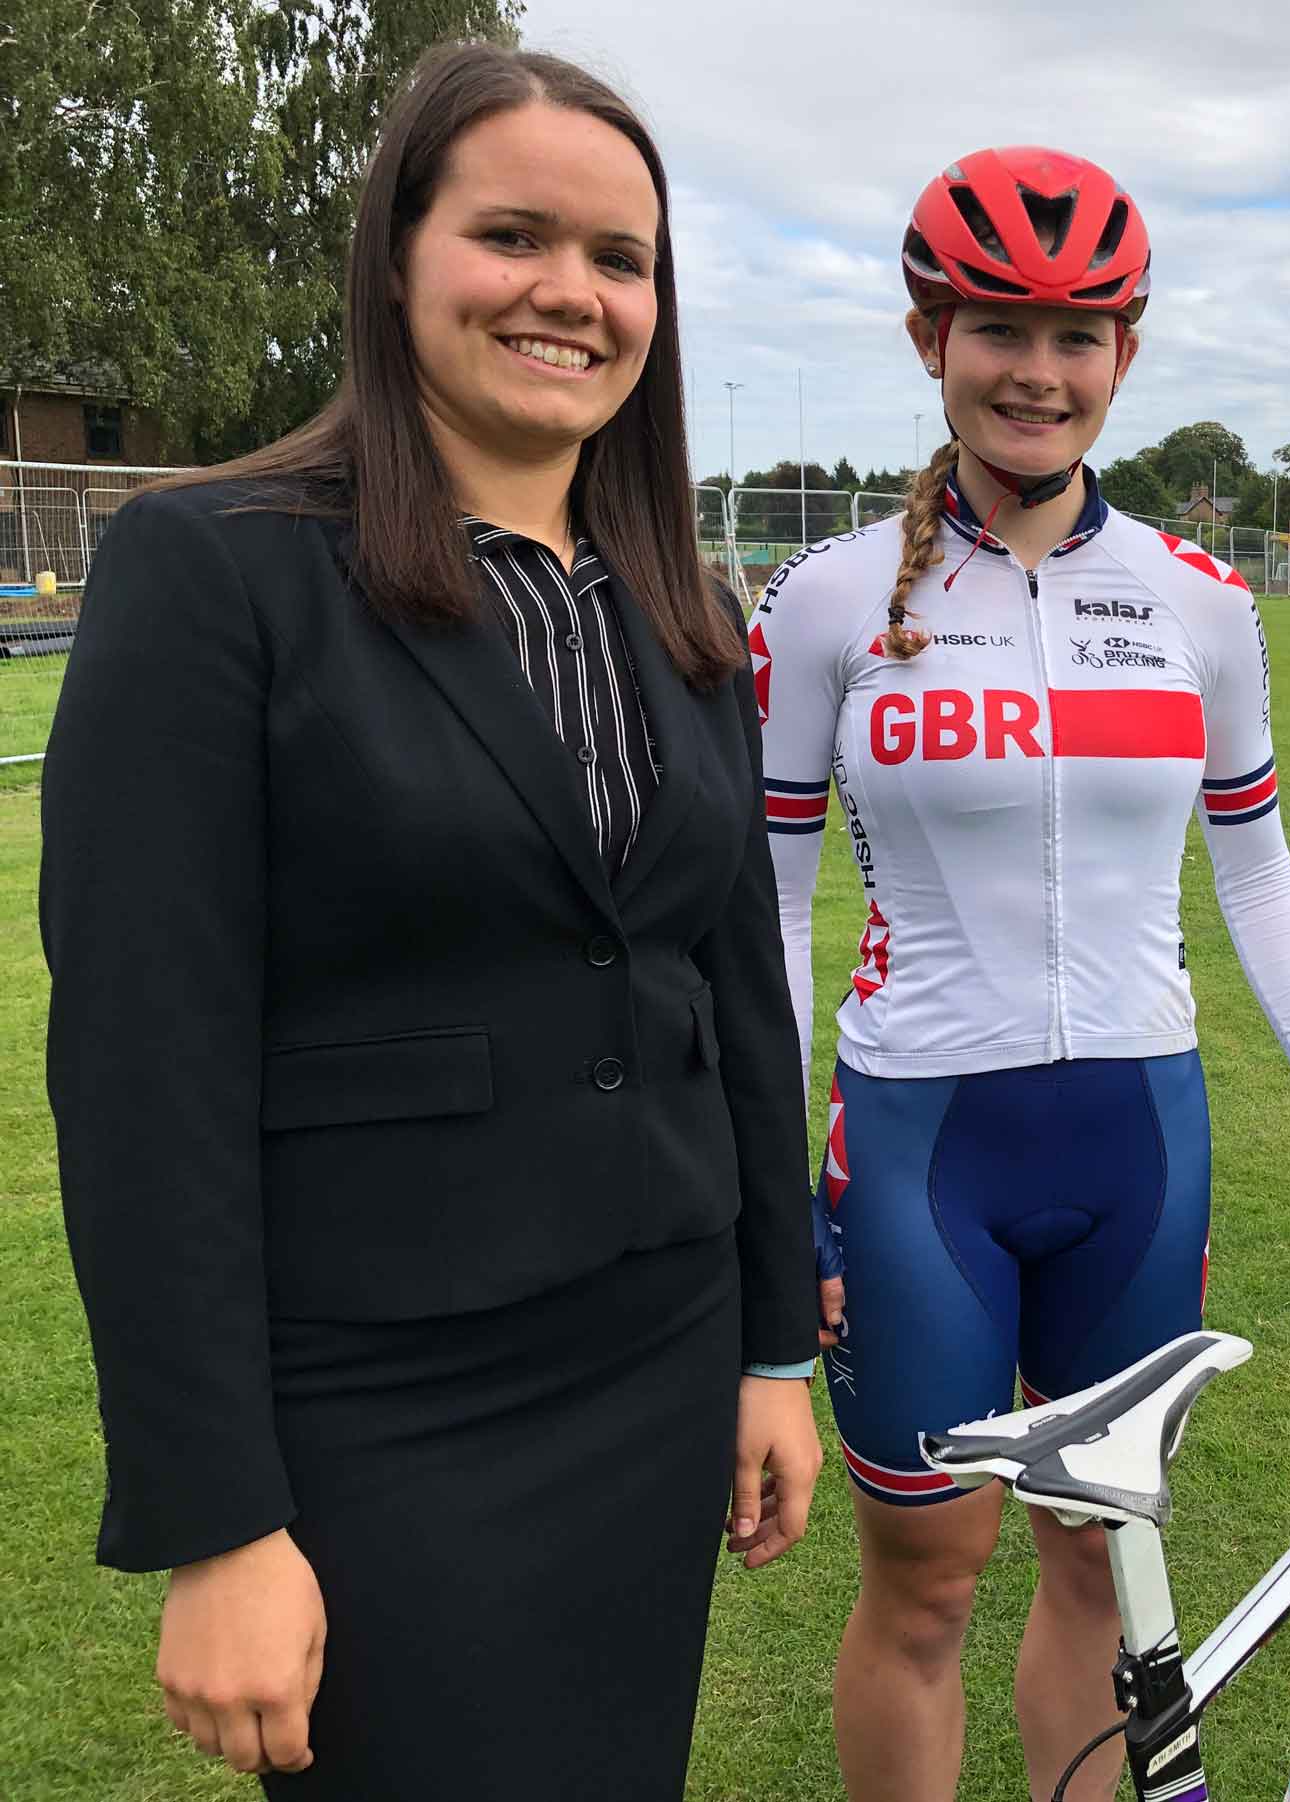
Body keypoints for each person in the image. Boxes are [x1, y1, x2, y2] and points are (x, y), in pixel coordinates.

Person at [41, 42, 830, 1800]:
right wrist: (217, 1517)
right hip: (382, 1410)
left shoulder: (683, 607)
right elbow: (140, 1067)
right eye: (513, 235)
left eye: (620, 261)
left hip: (656, 1358)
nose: (572, 292)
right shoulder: (215, 571)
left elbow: (732, 996)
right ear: (397, 259)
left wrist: (777, 1336)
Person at [750, 145, 1290, 1801]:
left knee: (1103, 1570)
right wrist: (762, 1181)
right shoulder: (831, 598)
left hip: (1138, 1139)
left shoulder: (1203, 603)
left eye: (1080, 335)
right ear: (932, 335)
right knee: (924, 1582)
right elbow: (768, 904)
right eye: (1000, 324)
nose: (1038, 369)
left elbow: (1259, 864)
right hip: (922, 1150)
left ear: (1123, 357)